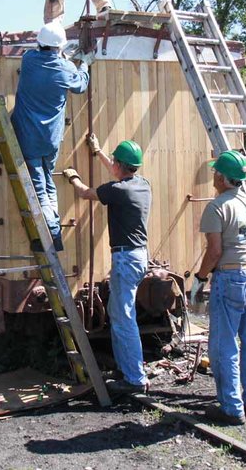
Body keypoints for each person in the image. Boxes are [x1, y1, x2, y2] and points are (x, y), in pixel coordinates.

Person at [63, 134, 150, 396]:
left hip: (126, 259)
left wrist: (72, 176)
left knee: (123, 319)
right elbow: (115, 176)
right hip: (136, 257)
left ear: (119, 165)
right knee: (119, 314)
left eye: (113, 161)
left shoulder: (117, 191)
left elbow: (85, 193)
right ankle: (126, 369)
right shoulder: (142, 185)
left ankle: (135, 379)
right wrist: (99, 151)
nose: (111, 163)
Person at [191, 151, 246, 425]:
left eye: (215, 172)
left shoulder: (217, 207)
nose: (213, 176)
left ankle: (231, 409)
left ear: (223, 178)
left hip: (232, 278)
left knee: (224, 346)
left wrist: (199, 279)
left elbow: (214, 252)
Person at [11, 22, 93, 251]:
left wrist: (64, 57)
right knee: (48, 184)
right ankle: (54, 230)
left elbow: (45, 55)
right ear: (60, 47)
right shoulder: (65, 70)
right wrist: (84, 64)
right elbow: (80, 85)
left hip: (28, 138)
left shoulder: (28, 60)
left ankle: (52, 235)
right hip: (51, 138)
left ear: (40, 42)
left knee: (39, 188)